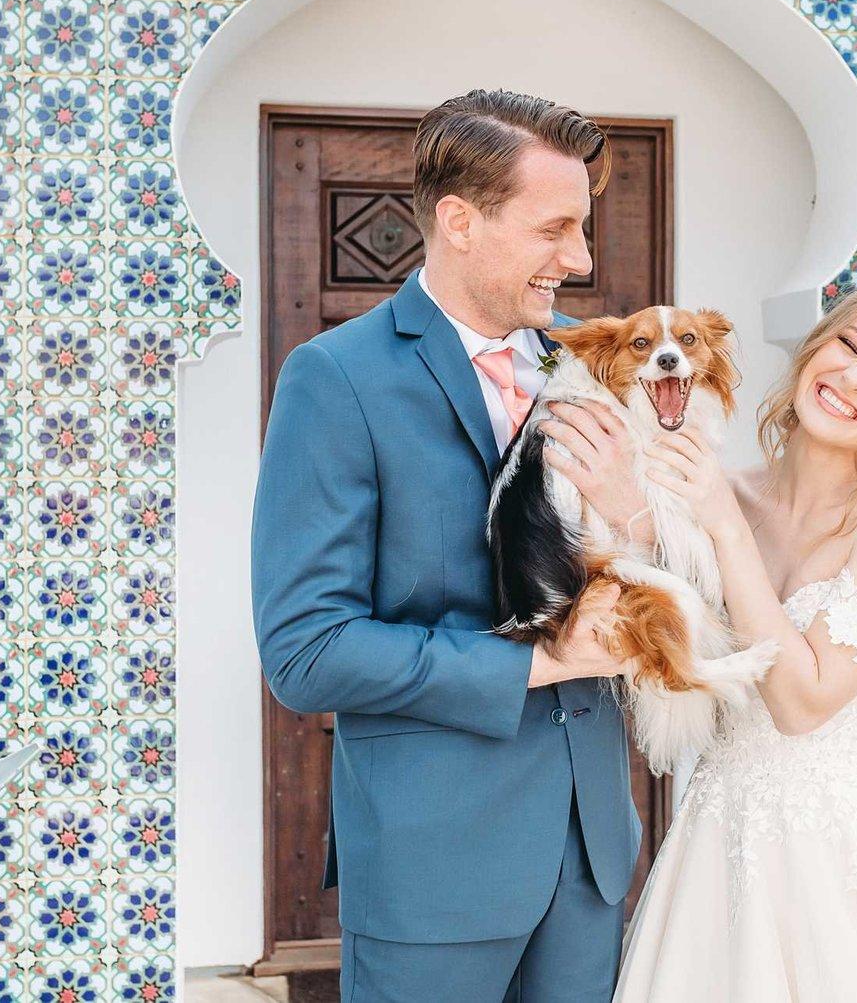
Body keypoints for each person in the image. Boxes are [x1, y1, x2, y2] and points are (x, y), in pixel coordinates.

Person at [251, 89, 653, 1002]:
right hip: (431, 867)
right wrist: (539, 662)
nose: (581, 260)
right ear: (460, 220)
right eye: (555, 229)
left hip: (590, 858)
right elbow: (307, 652)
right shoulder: (335, 378)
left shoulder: (590, 365)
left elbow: (651, 571)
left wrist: (635, 516)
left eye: (583, 229)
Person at [608, 280, 857, 1000]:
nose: (854, 378)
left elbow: (803, 703)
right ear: (815, 347)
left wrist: (724, 527)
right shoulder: (715, 489)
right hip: (712, 848)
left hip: (841, 858)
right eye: (849, 345)